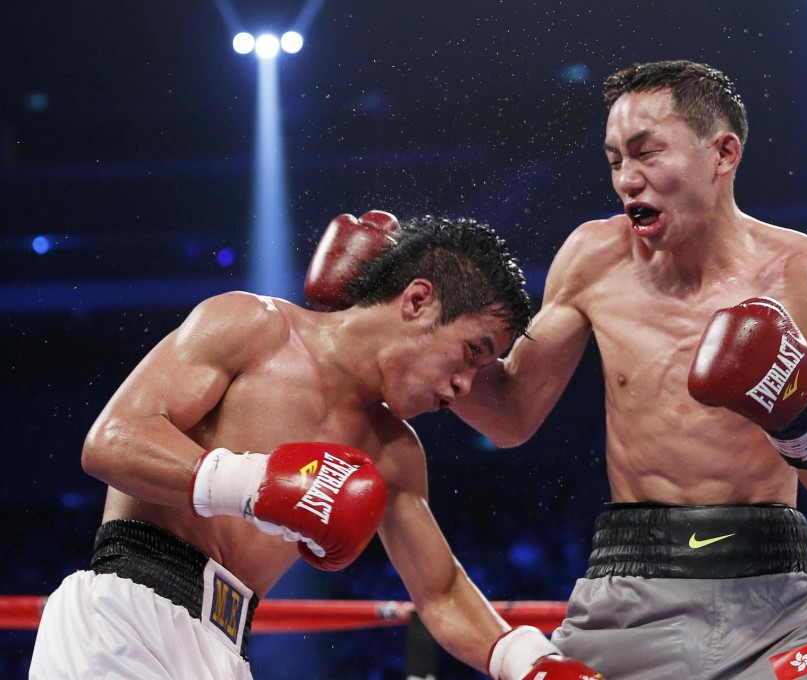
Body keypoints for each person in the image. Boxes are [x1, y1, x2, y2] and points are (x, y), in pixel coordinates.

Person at [29, 212, 603, 680]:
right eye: (472, 352)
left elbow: (442, 591)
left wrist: (527, 663)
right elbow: (111, 442)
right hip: (126, 610)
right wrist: (259, 485)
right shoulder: (252, 327)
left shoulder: (393, 450)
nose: (464, 386)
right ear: (418, 301)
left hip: (223, 647)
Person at [452, 60, 807, 679]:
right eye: (615, 160)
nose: (628, 179)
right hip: (626, 598)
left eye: (647, 153)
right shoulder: (593, 257)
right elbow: (511, 416)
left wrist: (799, 419)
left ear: (723, 153)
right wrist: (435, 344)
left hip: (775, 602)